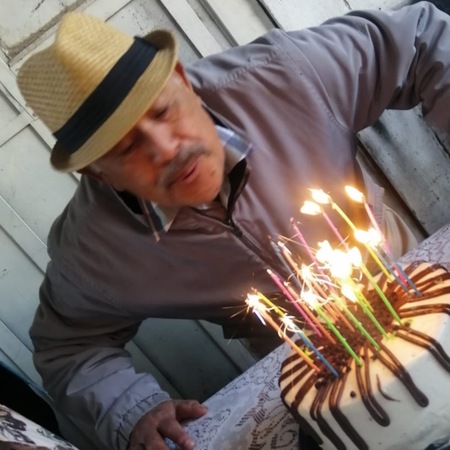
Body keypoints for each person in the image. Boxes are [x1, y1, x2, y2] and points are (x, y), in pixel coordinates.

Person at [16, 2, 450, 449]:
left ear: (181, 79)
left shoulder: (283, 76)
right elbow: (67, 347)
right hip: (310, 361)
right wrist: (130, 408)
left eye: (162, 112)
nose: (165, 149)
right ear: (96, 171)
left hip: (400, 272)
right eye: (126, 148)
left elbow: (420, 40)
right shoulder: (94, 252)